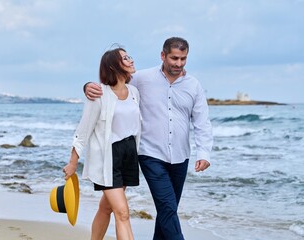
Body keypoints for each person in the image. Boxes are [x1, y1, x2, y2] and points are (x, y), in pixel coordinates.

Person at [84, 37, 213, 240]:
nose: (178, 64)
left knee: (167, 210)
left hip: (180, 157)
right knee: (168, 208)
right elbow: (112, 85)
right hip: (150, 154)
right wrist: (88, 87)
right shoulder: (142, 79)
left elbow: (202, 122)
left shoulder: (193, 85)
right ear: (163, 56)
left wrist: (203, 153)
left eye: (183, 59)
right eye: (174, 58)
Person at [64, 46, 141, 240]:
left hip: (129, 154)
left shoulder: (133, 92)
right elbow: (83, 131)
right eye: (125, 58)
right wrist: (73, 163)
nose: (131, 60)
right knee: (122, 213)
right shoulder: (99, 95)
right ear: (114, 66)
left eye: (129, 57)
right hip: (109, 158)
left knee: (106, 208)